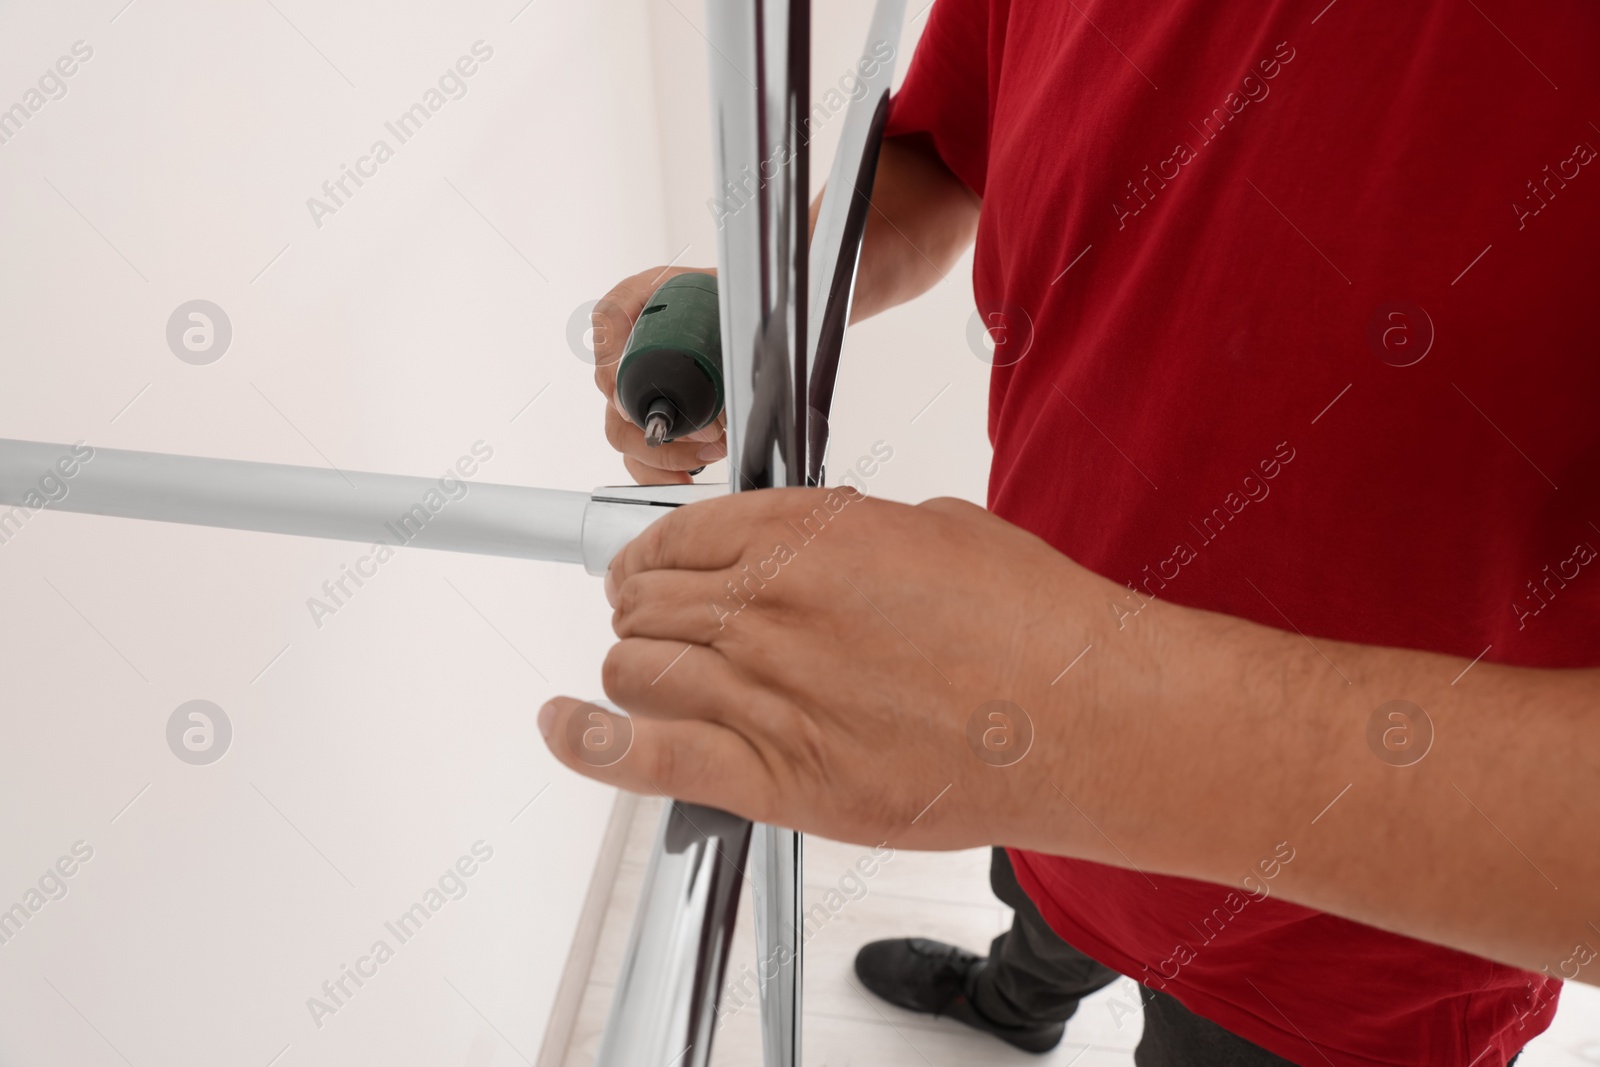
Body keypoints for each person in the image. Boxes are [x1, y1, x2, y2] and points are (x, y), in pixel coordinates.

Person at [543, 1, 1600, 1063]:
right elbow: (950, 156)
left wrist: (1070, 709)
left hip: (1349, 942)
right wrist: (772, 313)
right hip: (1019, 716)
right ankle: (1016, 1003)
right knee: (1041, 907)